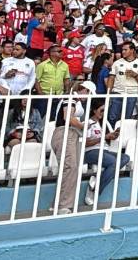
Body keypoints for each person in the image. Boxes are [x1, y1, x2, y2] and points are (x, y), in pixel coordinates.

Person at [51, 81, 93, 214]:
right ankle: (64, 205)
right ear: (84, 90)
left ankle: (58, 203)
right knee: (70, 168)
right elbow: (68, 117)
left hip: (71, 133)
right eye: (89, 93)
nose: (89, 96)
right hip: (66, 132)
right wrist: (83, 126)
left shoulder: (75, 100)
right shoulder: (71, 98)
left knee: (68, 169)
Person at [83, 102, 129, 207]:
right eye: (101, 110)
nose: (103, 113)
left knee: (125, 157)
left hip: (104, 151)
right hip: (91, 151)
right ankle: (95, 191)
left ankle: (95, 183)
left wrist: (113, 135)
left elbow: (107, 139)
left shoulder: (103, 123)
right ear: (94, 110)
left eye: (104, 111)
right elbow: (86, 143)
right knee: (114, 162)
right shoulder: (88, 122)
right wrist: (104, 137)